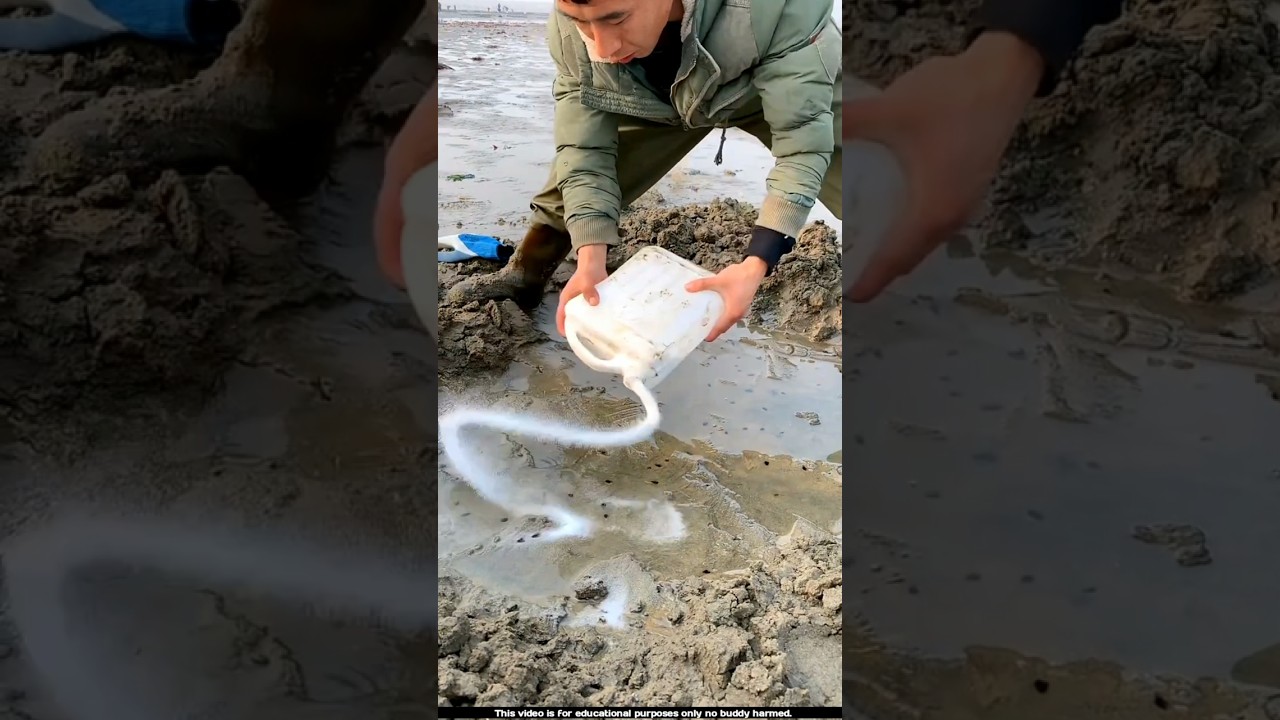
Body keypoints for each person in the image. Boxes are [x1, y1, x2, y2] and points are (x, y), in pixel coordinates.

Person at [374, 0, 1126, 334]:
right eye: (579, 22)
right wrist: (592, 258)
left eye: (614, 17)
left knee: (864, 174)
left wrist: (756, 263)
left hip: (762, 86)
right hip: (657, 102)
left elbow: (801, 140)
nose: (597, 43)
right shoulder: (581, 40)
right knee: (565, 193)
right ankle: (530, 272)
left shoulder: (774, 9)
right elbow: (584, 149)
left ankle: (908, 278)